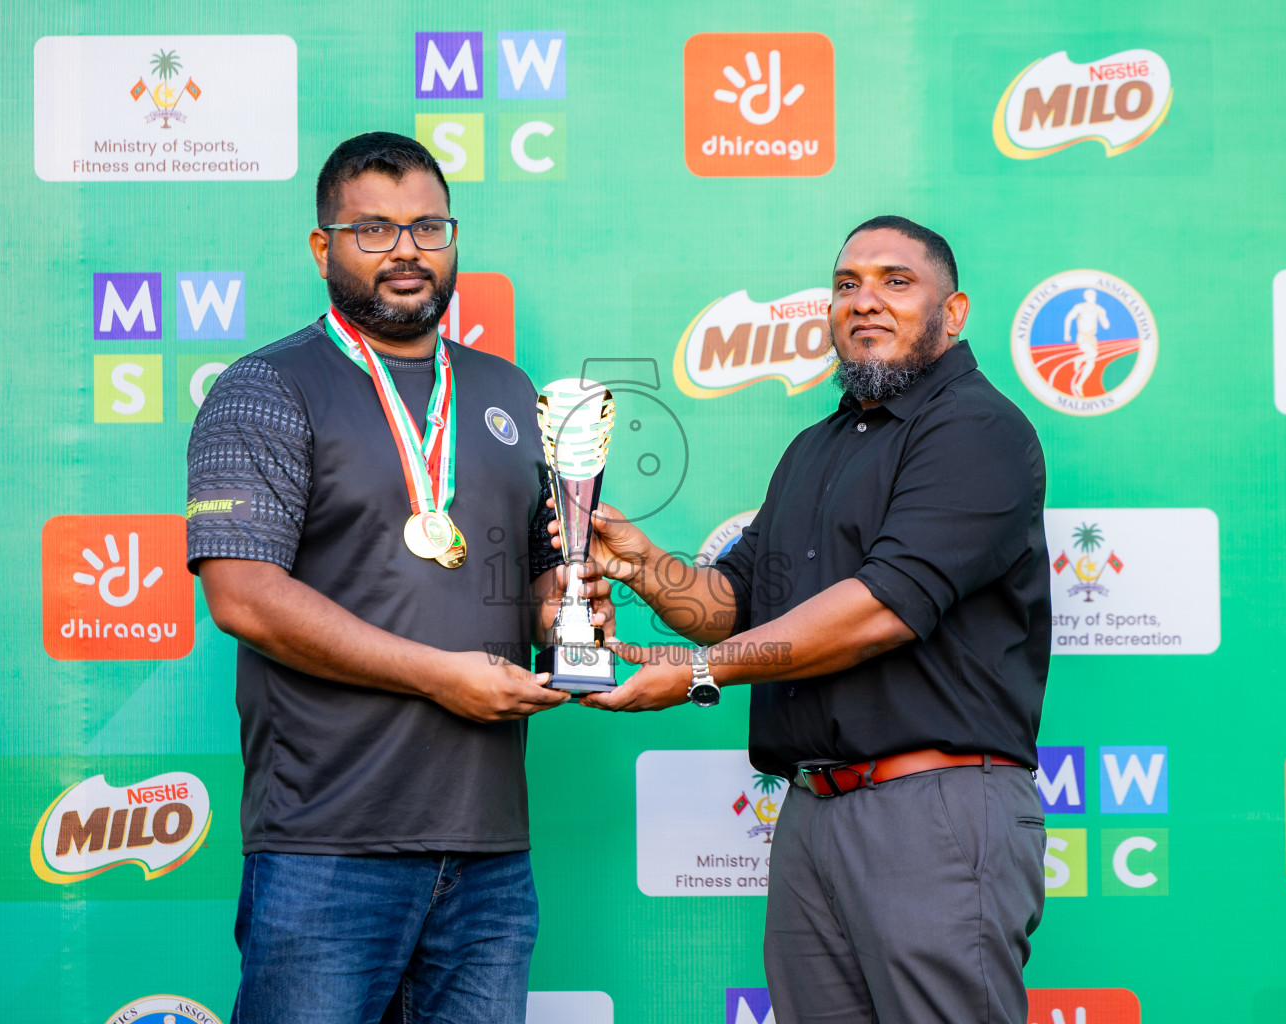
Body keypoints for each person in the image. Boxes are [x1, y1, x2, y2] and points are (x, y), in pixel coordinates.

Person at [553, 216, 1050, 1023]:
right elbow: (732, 607)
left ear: (953, 313)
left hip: (935, 808)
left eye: (896, 282)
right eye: (847, 283)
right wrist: (639, 564)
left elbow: (880, 611)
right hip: (814, 811)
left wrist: (695, 675)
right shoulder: (815, 447)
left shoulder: (976, 429)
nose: (865, 302)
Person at [185, 131, 611, 1024]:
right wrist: (441, 676)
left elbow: (528, 582)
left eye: (429, 227)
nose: (407, 251)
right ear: (323, 247)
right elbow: (244, 597)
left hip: (489, 852)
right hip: (329, 846)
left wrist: (568, 608)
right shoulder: (265, 387)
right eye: (374, 230)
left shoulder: (503, 389)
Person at [1063, 287, 1108, 398]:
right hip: (1082, 336)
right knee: (1093, 354)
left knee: (1091, 364)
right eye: (1089, 296)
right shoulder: (1080, 307)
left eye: (1093, 296)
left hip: (1092, 338)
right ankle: (1078, 359)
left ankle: (1079, 385)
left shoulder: (1098, 309)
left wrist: (1103, 315)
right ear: (1085, 297)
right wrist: (1067, 334)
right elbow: (1068, 318)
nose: (1092, 298)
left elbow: (1106, 326)